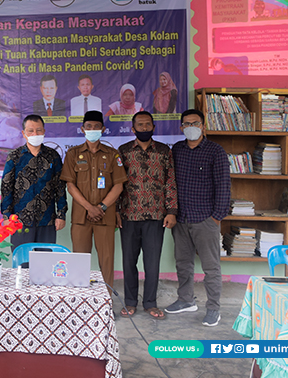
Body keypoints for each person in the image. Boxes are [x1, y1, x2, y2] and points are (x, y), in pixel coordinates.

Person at [165, 109, 230, 327]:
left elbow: (223, 186)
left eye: (195, 122)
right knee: (183, 263)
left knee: (211, 268)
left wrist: (216, 217)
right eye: (186, 123)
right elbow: (171, 183)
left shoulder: (215, 151)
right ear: (181, 127)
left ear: (203, 125)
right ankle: (186, 300)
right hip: (181, 219)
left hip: (206, 220)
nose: (191, 126)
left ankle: (213, 308)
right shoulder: (177, 150)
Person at [116, 111, 177, 320]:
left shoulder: (163, 151)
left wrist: (171, 211)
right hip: (128, 215)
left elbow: (170, 182)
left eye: (147, 125)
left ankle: (150, 303)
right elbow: (117, 184)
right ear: (132, 129)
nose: (144, 128)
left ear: (154, 127)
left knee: (152, 263)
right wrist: (116, 211)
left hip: (156, 215)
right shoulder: (123, 151)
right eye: (140, 125)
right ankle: (130, 302)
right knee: (128, 262)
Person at [60, 110, 127, 288]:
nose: (92, 130)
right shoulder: (73, 154)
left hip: (105, 217)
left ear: (103, 129)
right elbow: (70, 186)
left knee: (106, 261)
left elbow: (119, 185)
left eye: (96, 127)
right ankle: (81, 302)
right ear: (83, 129)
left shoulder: (113, 155)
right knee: (79, 262)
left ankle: (107, 302)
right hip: (81, 217)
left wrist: (102, 207)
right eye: (89, 127)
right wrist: (89, 207)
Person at [1, 114, 67, 247]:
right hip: (20, 221)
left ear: (44, 132)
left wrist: (61, 215)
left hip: (47, 221)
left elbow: (60, 187)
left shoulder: (53, 156)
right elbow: (6, 187)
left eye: (39, 130)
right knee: (22, 263)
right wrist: (7, 216)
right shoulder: (14, 156)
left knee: (45, 263)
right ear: (23, 133)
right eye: (30, 130)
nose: (35, 133)